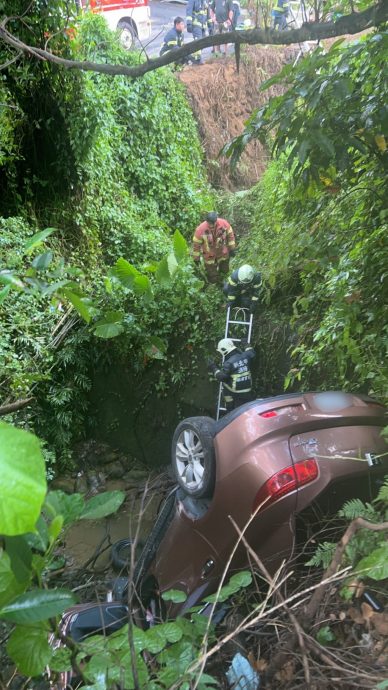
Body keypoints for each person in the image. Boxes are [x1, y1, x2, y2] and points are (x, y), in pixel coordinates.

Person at [207, 338, 255, 412]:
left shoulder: (229, 363)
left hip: (236, 392)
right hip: (248, 389)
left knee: (225, 385)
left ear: (224, 350)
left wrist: (213, 367)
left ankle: (229, 408)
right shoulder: (246, 356)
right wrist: (245, 344)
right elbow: (251, 352)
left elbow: (222, 377)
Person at [192, 211, 236, 283]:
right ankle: (215, 283)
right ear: (207, 221)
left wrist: (232, 249)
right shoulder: (200, 230)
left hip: (223, 253)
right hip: (209, 256)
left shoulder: (224, 224)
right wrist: (196, 259)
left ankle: (224, 282)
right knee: (213, 277)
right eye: (210, 223)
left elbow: (230, 236)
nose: (211, 226)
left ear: (216, 220)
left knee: (225, 271)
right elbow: (196, 246)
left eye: (213, 223)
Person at [186, 0, 213, 64]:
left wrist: (210, 26)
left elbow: (208, 15)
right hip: (196, 25)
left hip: (203, 26)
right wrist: (189, 23)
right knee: (198, 41)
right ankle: (198, 60)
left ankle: (191, 56)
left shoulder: (205, 1)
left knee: (203, 42)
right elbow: (189, 11)